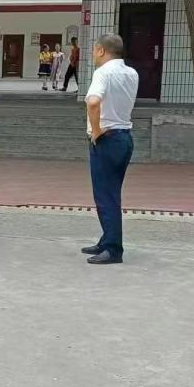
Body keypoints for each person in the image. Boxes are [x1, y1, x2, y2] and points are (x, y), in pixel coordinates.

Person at [84, 33, 139, 265]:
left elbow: (93, 102)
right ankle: (107, 239)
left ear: (101, 50)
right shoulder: (132, 73)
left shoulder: (103, 73)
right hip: (124, 137)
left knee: (106, 195)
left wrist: (96, 130)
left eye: (94, 50)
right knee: (112, 191)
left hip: (106, 138)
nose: (93, 54)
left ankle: (113, 248)